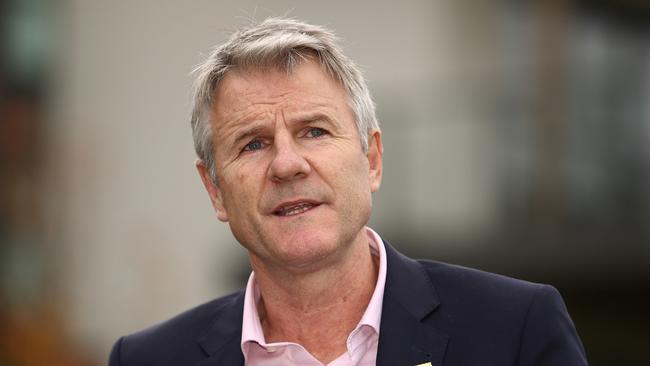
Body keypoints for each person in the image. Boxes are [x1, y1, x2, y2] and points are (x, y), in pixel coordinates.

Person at [109, 18, 587, 366]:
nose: (287, 164)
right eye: (252, 143)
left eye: (314, 131)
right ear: (215, 189)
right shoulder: (148, 358)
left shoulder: (514, 330)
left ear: (372, 159)